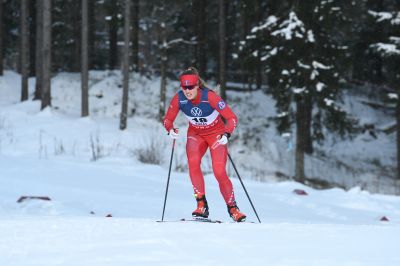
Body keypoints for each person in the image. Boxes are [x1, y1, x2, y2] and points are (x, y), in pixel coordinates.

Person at [162, 67, 246, 222]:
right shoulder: (179, 99)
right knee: (193, 163)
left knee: (219, 171)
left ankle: (233, 208)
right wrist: (170, 129)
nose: (187, 91)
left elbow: (232, 118)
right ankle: (201, 205)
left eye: (190, 87)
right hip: (196, 134)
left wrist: (227, 133)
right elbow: (168, 119)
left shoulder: (210, 97)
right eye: (184, 88)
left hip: (216, 135)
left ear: (197, 86)